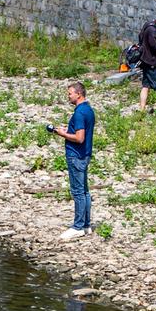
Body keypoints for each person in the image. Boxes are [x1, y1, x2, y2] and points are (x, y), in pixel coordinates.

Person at [47, 79, 94, 241]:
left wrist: (62, 134)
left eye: (70, 93)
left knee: (78, 192)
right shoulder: (88, 109)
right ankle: (86, 225)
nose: (68, 97)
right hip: (85, 155)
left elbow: (79, 138)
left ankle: (78, 226)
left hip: (76, 155)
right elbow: (81, 131)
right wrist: (68, 130)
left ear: (78, 94)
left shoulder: (79, 113)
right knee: (85, 191)